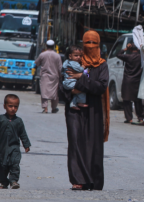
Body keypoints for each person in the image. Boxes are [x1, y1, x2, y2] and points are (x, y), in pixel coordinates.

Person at [64, 30, 109, 190]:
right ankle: (78, 179)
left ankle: (92, 180)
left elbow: (101, 86)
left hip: (94, 110)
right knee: (75, 141)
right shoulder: (74, 62)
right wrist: (73, 90)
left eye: (93, 43)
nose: (90, 46)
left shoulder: (102, 65)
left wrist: (81, 78)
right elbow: (63, 84)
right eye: (87, 43)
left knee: (92, 144)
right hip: (74, 109)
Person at [0, 94, 30, 189]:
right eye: (10, 106)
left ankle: (13, 181)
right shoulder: (0, 119)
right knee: (2, 165)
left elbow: (23, 134)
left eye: (16, 106)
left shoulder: (18, 121)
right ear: (4, 106)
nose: (13, 109)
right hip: (2, 148)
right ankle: (4, 183)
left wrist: (26, 145)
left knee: (15, 164)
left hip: (14, 147)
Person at [116, 42, 144, 124]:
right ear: (138, 49)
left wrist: (125, 49)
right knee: (137, 100)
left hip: (128, 80)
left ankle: (129, 118)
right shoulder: (141, 57)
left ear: (130, 49)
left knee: (126, 100)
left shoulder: (128, 56)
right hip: (137, 80)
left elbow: (118, 54)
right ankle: (140, 117)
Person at [34, 40, 62, 113]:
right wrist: (60, 76)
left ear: (46, 45)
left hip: (44, 76)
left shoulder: (42, 54)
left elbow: (37, 63)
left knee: (44, 92)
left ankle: (45, 108)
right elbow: (60, 68)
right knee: (54, 93)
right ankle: (54, 108)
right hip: (54, 76)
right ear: (54, 46)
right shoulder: (57, 56)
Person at [61, 46, 88, 110]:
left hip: (67, 82)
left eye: (80, 56)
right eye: (76, 55)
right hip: (71, 82)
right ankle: (80, 102)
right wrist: (83, 67)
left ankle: (73, 104)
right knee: (82, 89)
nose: (78, 57)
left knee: (77, 92)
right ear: (70, 56)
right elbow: (80, 70)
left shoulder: (66, 62)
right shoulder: (74, 63)